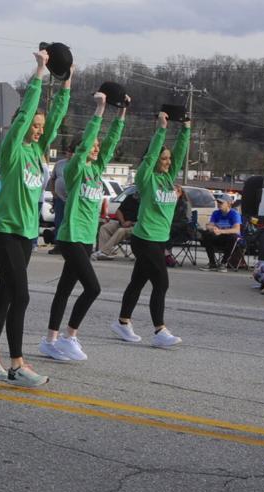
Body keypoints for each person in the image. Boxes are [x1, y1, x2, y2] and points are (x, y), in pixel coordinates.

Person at [0, 50, 69, 387]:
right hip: (4, 231)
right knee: (21, 295)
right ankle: (16, 363)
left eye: (40, 127)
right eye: (32, 124)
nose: (37, 130)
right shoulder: (13, 149)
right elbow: (27, 115)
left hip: (27, 234)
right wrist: (40, 73)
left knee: (6, 293)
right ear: (21, 124)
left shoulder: (37, 152)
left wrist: (67, 83)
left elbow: (55, 119)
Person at [42, 91, 126, 362]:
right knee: (93, 288)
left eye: (96, 147)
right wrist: (100, 110)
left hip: (86, 237)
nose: (96, 148)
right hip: (70, 236)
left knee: (64, 289)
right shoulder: (75, 169)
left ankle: (51, 340)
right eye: (91, 146)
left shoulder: (96, 171)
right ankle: (69, 336)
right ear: (79, 150)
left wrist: (121, 115)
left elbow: (111, 144)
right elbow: (89, 140)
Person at [112, 111, 192, 347]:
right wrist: (162, 129)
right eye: (162, 158)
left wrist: (186, 129)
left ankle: (123, 322)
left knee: (138, 282)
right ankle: (159, 330)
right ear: (154, 157)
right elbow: (150, 158)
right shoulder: (147, 179)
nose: (167, 162)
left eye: (168, 159)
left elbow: (180, 153)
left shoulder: (169, 179)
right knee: (161, 282)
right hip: (144, 238)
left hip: (160, 239)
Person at [198, 195, 241, 271]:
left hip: (229, 239)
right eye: (218, 202)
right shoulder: (216, 213)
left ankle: (223, 264)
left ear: (228, 203)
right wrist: (212, 228)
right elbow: (209, 225)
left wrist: (221, 231)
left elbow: (236, 230)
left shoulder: (234, 214)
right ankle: (212, 263)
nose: (218, 204)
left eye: (221, 202)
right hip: (219, 237)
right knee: (206, 234)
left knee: (233, 237)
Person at [93, 191, 138, 260]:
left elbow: (146, 220)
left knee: (121, 230)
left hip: (136, 228)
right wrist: (123, 222)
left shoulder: (146, 201)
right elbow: (118, 211)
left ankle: (103, 252)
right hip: (122, 224)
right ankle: (105, 254)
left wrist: (131, 223)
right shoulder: (130, 197)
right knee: (104, 227)